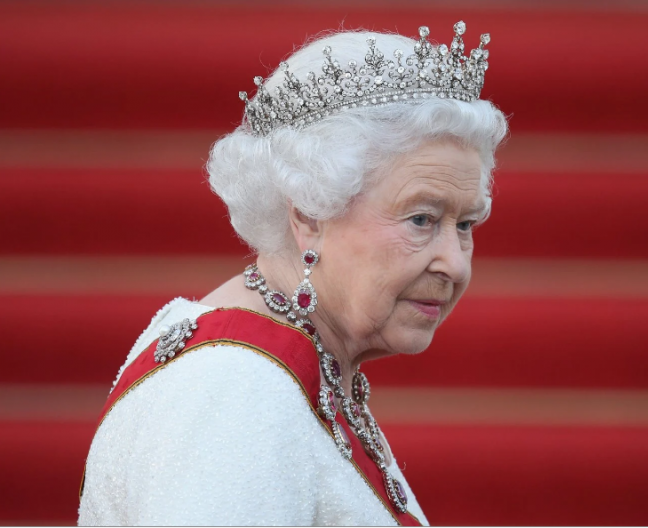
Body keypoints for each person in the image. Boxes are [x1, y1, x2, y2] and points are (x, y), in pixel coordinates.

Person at [78, 21, 507, 526]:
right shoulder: (232, 392)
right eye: (421, 219)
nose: (454, 263)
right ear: (307, 211)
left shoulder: (293, 368)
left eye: (467, 223)